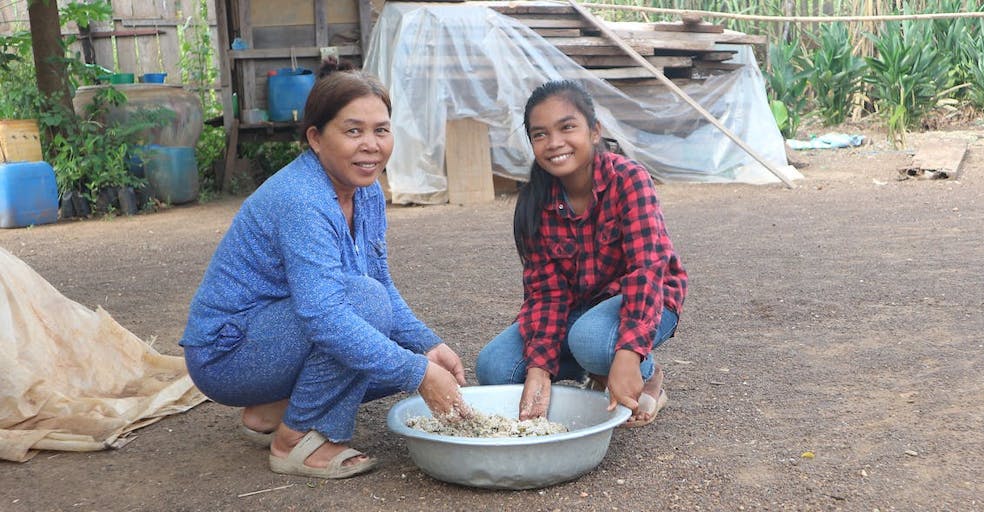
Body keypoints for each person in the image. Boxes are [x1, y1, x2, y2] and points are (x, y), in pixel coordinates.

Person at [179, 60, 469, 480]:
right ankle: (294, 441)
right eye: (353, 131)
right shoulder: (303, 198)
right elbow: (326, 316)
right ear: (316, 138)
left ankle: (270, 412)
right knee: (365, 312)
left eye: (381, 130)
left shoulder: (363, 191)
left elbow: (380, 280)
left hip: (273, 335)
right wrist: (418, 373)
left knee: (384, 335)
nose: (371, 145)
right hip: (228, 354)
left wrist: (426, 347)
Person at [475, 80, 687, 427]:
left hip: (648, 301)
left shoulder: (629, 179)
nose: (555, 143)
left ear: (594, 131)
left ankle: (645, 374)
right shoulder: (537, 202)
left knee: (590, 339)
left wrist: (629, 354)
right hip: (580, 312)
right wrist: (540, 369)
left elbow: (646, 271)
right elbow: (547, 294)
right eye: (540, 134)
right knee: (495, 367)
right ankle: (597, 366)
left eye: (567, 127)